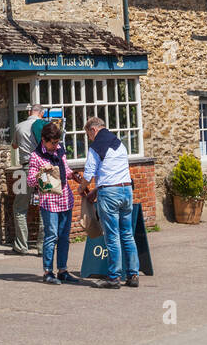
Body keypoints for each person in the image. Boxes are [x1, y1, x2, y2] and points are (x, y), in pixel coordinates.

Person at [80, 117, 139, 289]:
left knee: (112, 236)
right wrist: (95, 191)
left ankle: (113, 277)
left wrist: (82, 188)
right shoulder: (120, 144)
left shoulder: (96, 147)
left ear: (93, 130)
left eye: (88, 134)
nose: (89, 138)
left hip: (109, 193)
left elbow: (89, 173)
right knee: (127, 234)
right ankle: (133, 274)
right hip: (126, 190)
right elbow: (114, 172)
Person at [27, 120, 78, 284]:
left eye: (58, 142)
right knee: (51, 236)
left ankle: (62, 270)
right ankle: (48, 272)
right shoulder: (36, 156)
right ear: (44, 140)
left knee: (64, 236)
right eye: (53, 143)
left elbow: (66, 168)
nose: (56, 145)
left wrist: (73, 175)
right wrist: (43, 171)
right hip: (49, 201)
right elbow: (30, 181)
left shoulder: (60, 150)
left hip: (65, 197)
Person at [9, 103, 43, 255]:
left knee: (19, 207)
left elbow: (14, 146)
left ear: (30, 111)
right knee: (46, 207)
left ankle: (21, 245)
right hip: (43, 170)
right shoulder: (44, 126)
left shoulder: (19, 126)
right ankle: (43, 247)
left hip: (25, 169)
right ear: (41, 114)